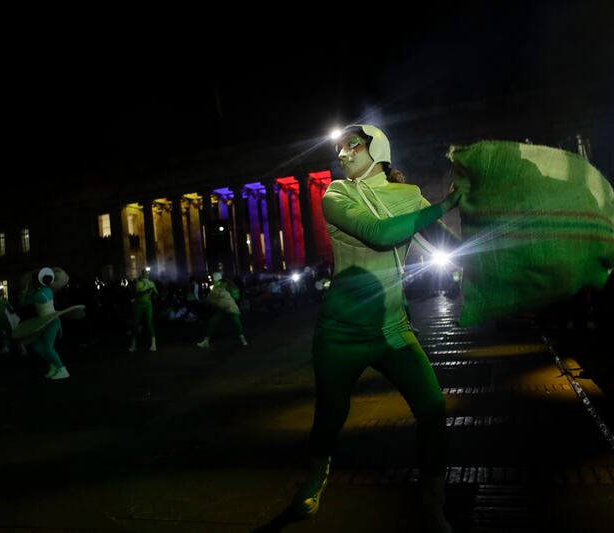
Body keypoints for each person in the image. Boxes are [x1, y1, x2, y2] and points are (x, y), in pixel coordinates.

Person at [290, 124, 468, 532]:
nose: (342, 154)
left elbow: (444, 241)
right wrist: (448, 202)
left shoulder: (408, 195)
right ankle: (316, 478)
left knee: (433, 408)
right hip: (340, 333)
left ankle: (433, 503)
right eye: (339, 148)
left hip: (393, 328)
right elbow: (381, 233)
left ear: (378, 149)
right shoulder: (336, 193)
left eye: (352, 145)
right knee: (331, 415)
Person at [18, 267, 73, 379]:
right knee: (37, 348)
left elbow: (23, 303)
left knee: (48, 348)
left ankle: (62, 369)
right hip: (46, 322)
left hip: (50, 322)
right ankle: (53, 364)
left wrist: (24, 292)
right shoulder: (48, 290)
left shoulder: (38, 294)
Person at [196, 271, 247, 348]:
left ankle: (206, 341)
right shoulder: (221, 285)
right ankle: (243, 340)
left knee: (215, 322)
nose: (211, 279)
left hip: (226, 307)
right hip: (227, 307)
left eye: (212, 278)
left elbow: (211, 298)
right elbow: (235, 294)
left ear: (215, 278)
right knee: (235, 323)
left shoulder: (220, 285)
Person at [129, 267, 159, 352]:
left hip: (148, 305)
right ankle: (133, 345)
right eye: (145, 273)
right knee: (135, 324)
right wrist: (147, 288)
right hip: (138, 306)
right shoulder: (139, 283)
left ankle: (153, 345)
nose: (147, 274)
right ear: (142, 274)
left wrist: (154, 292)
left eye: (147, 273)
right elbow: (137, 294)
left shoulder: (151, 283)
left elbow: (156, 294)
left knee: (149, 324)